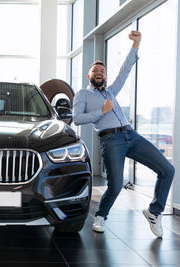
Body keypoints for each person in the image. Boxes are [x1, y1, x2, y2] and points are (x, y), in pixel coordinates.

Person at [73, 31, 175, 238]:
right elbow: (77, 119)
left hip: (131, 136)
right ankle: (101, 217)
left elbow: (126, 69)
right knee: (116, 185)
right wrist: (100, 111)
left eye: (102, 70)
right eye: (96, 70)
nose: (100, 72)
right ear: (89, 75)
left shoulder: (111, 91)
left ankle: (154, 212)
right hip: (111, 140)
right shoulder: (83, 94)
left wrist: (136, 45)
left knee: (168, 169)